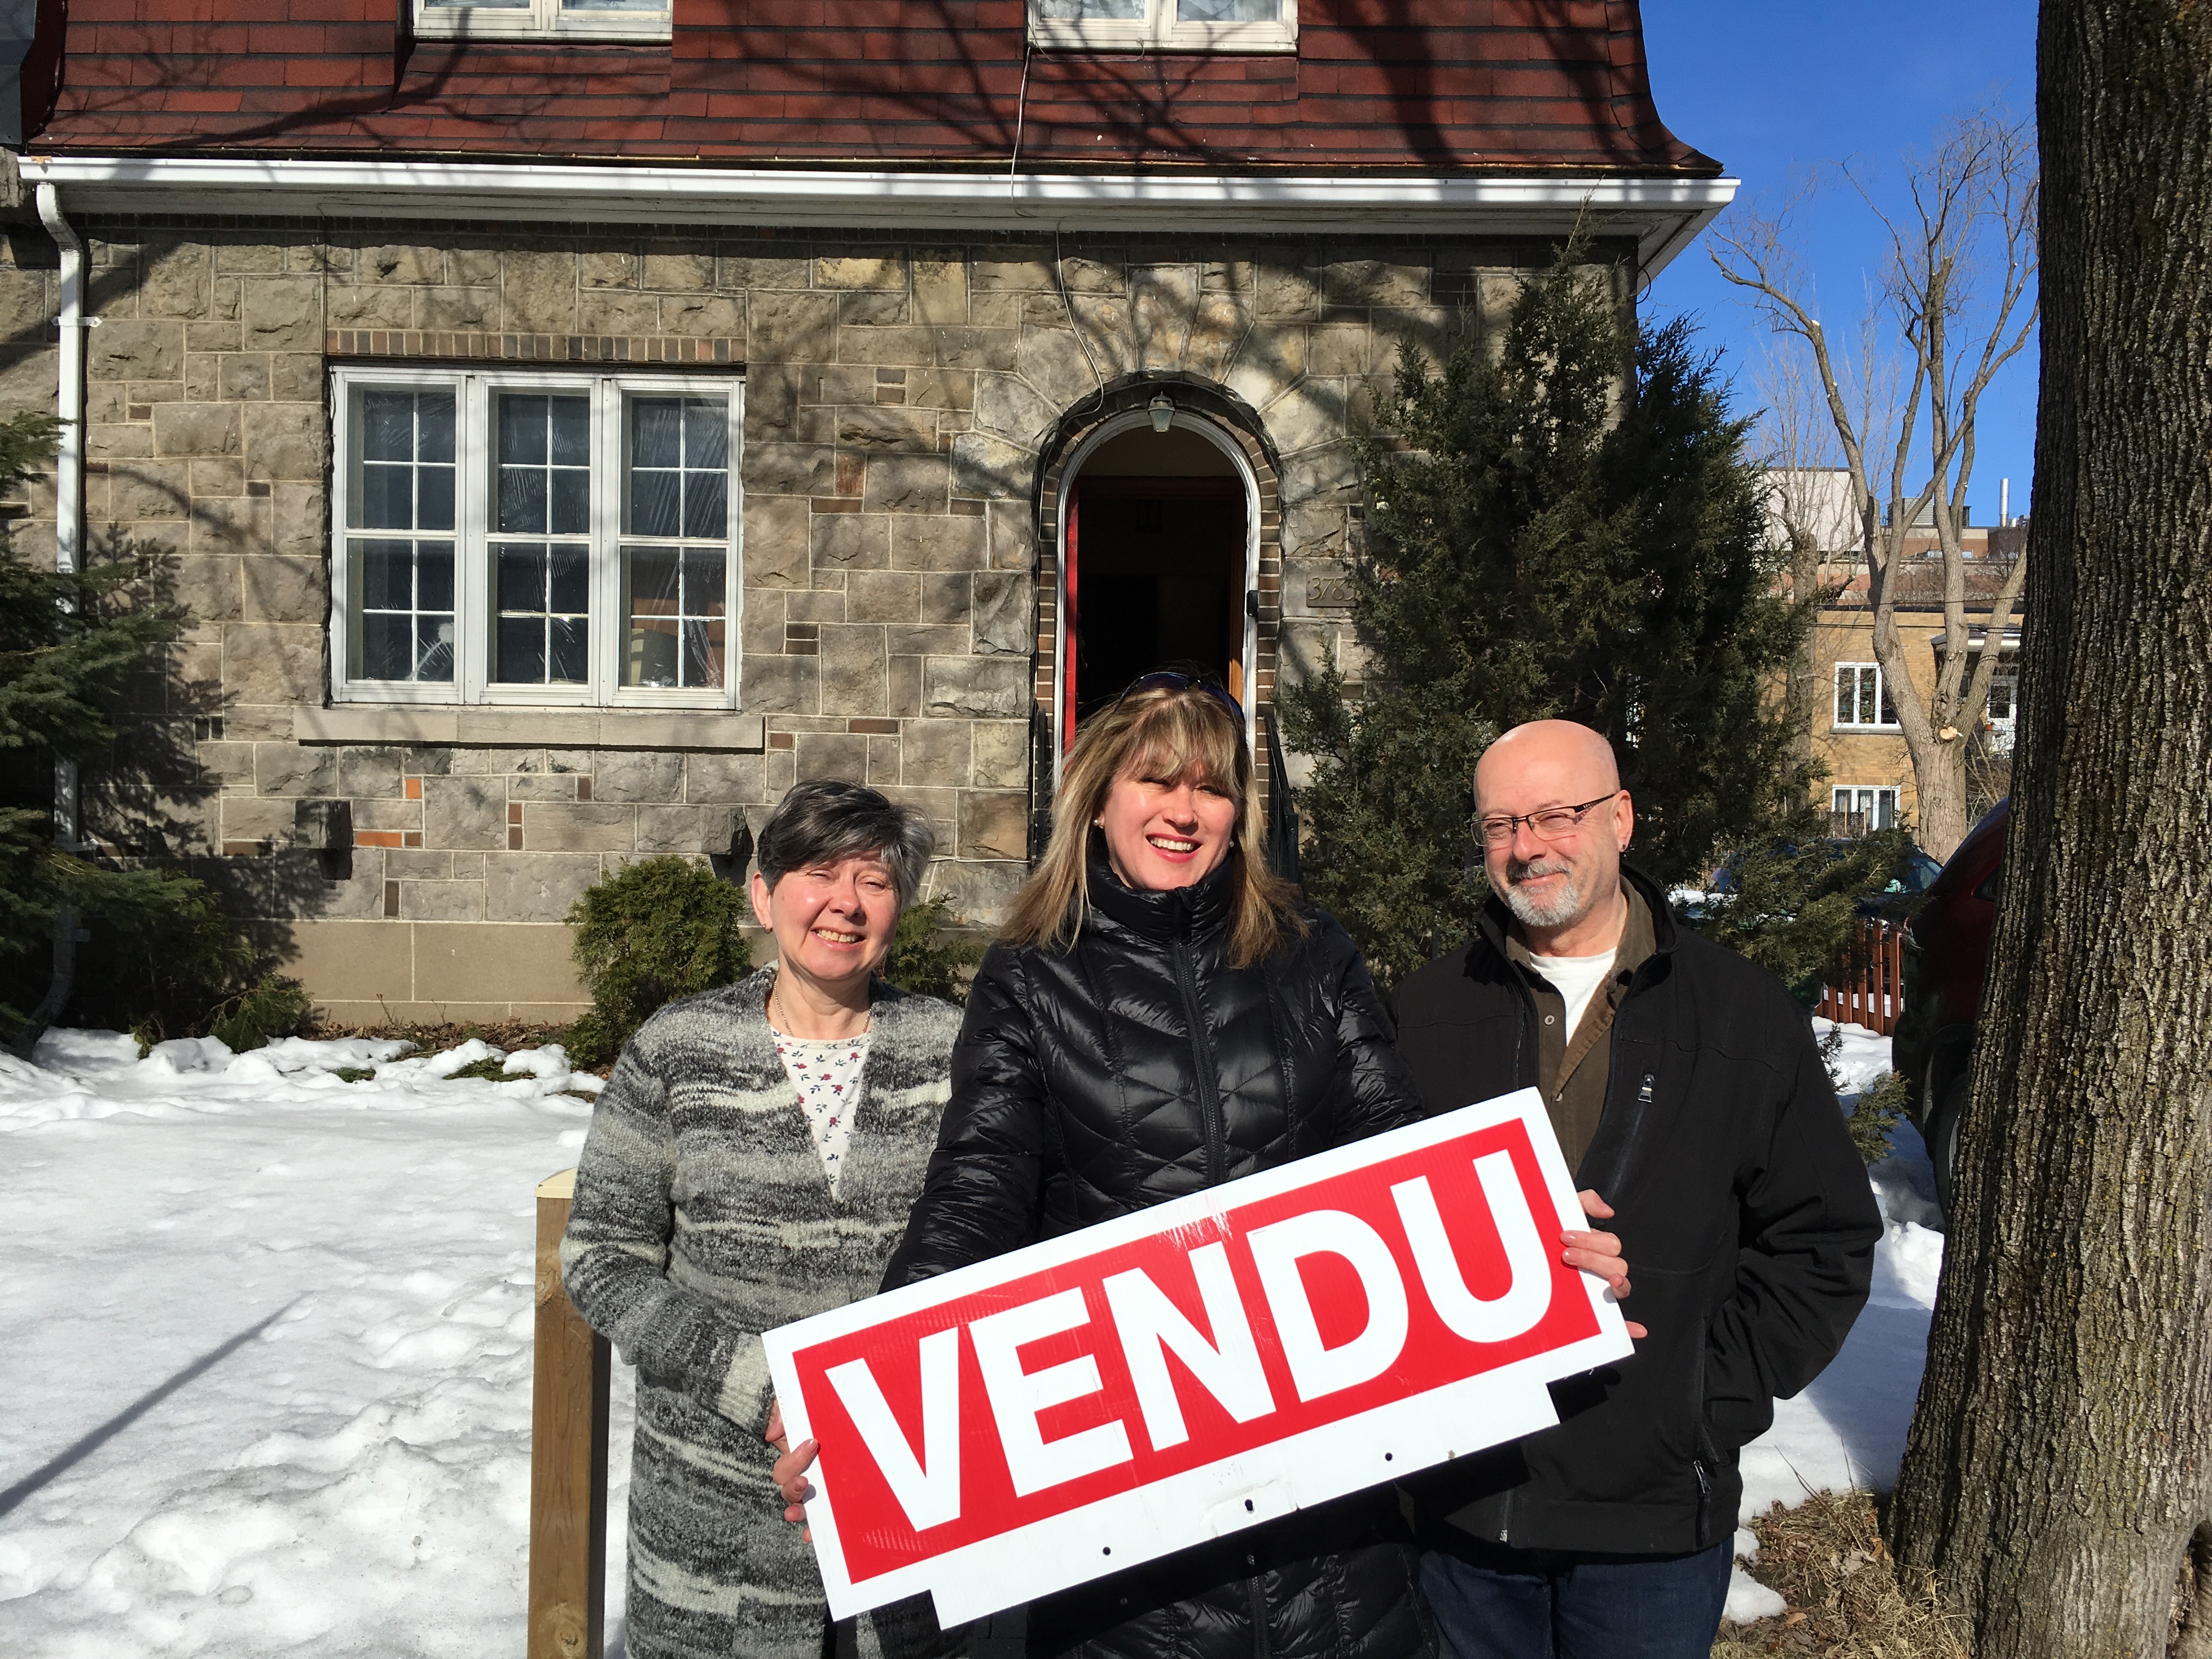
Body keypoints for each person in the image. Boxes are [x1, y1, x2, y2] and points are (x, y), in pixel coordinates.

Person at [784, 674, 1634, 1659]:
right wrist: (870, 1411)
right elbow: (977, 1194)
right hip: (1132, 1556)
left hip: (1334, 1536)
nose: (1184, 812)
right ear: (1099, 799)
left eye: (1212, 788)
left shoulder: (1312, 952)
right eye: (1156, 781)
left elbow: (1395, 1148)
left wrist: (1533, 1243)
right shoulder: (1030, 976)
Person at [1391, 719, 1883, 1659]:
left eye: (1556, 815)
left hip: (1650, 1524)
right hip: (1463, 1509)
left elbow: (1824, 1240)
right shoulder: (1426, 1009)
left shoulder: (1739, 1013)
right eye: (1500, 825)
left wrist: (1699, 1398)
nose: (1527, 846)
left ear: (1620, 818)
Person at [561, 778, 966, 1659]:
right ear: (763, 894)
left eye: (875, 880)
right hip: (712, 1526)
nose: (846, 903)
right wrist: (765, 1390)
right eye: (819, 873)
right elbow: (602, 1259)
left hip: (909, 1520)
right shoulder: (678, 1051)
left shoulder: (957, 1054)